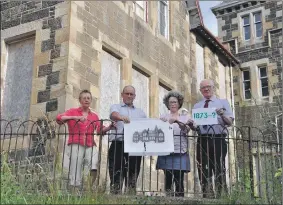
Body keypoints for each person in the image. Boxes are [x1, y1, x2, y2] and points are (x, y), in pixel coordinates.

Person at [56, 90, 115, 190]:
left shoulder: (94, 116)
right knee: (76, 167)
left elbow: (100, 130)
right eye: (84, 98)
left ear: (91, 100)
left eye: (88, 98)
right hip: (76, 142)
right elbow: (59, 118)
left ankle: (87, 187)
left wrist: (109, 127)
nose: (86, 100)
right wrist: (75, 117)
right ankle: (75, 189)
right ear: (80, 100)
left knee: (94, 163)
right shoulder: (73, 111)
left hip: (90, 144)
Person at [187, 79, 234, 198]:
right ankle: (207, 194)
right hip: (203, 138)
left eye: (208, 86)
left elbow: (230, 123)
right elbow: (195, 127)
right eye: (203, 87)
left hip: (218, 138)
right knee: (203, 166)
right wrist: (191, 124)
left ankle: (221, 194)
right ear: (200, 90)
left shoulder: (222, 102)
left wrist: (222, 114)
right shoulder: (197, 106)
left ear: (213, 88)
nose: (206, 89)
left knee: (218, 165)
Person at [108, 85, 147, 194]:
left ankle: (130, 196)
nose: (129, 96)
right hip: (118, 144)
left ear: (134, 96)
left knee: (133, 175)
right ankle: (115, 197)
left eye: (131, 94)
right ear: (122, 95)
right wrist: (121, 118)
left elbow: (146, 126)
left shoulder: (141, 112)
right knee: (116, 173)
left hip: (135, 147)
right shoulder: (116, 107)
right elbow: (113, 115)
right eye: (127, 93)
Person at [157, 91, 191, 197]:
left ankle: (180, 200)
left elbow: (186, 130)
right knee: (168, 178)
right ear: (167, 104)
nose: (173, 104)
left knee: (179, 178)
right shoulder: (163, 116)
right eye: (170, 102)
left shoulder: (184, 117)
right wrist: (161, 122)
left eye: (175, 102)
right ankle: (168, 199)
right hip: (166, 151)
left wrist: (177, 121)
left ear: (179, 103)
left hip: (180, 150)